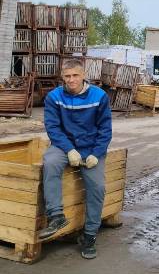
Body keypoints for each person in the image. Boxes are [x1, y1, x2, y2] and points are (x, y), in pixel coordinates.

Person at [38, 59, 112, 260]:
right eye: (67, 76)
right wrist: (69, 149)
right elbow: (53, 127)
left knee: (97, 187)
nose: (71, 80)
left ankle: (89, 235)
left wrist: (96, 154)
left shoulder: (99, 96)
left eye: (75, 75)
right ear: (62, 77)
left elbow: (105, 130)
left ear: (83, 75)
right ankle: (56, 216)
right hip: (64, 145)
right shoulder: (54, 97)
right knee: (51, 162)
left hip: (91, 147)